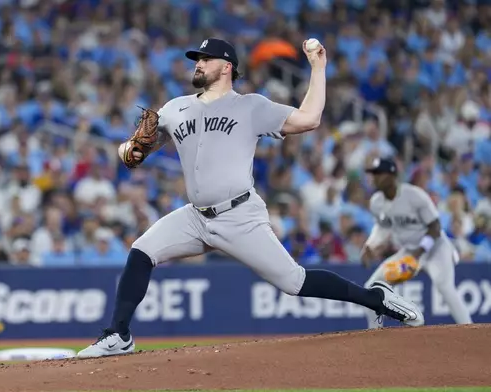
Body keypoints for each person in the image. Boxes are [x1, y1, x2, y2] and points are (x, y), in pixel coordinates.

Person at [77, 38, 424, 359]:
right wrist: (130, 150)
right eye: (197, 59)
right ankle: (118, 334)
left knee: (295, 282)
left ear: (226, 66)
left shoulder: (250, 106)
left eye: (205, 59)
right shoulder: (174, 109)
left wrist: (318, 68)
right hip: (195, 217)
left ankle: (376, 298)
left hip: (239, 215)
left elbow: (309, 119)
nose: (198, 63)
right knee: (141, 251)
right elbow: (131, 152)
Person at [360, 157, 473, 328]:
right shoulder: (377, 202)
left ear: (392, 175)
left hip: (435, 249)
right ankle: (373, 335)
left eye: (378, 174)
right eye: (373, 174)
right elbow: (383, 227)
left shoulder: (414, 195)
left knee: (445, 288)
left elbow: (435, 226)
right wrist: (370, 244)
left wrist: (420, 251)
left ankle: (469, 329)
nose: (374, 178)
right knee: (371, 288)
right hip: (409, 252)